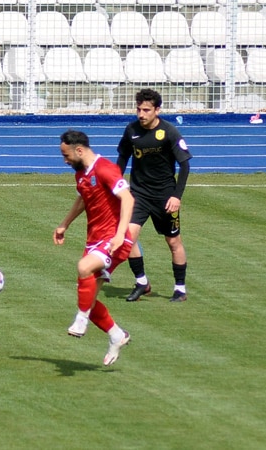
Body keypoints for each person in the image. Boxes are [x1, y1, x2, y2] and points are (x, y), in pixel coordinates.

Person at [54, 130, 133, 366]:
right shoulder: (81, 174)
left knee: (83, 267)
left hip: (114, 241)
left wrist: (120, 234)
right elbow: (83, 199)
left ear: (79, 150)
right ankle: (117, 335)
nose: (64, 160)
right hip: (94, 241)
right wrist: (64, 225)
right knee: (89, 299)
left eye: (66, 155)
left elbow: (128, 199)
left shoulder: (105, 169)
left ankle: (81, 320)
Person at [116, 89, 192, 302]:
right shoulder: (131, 130)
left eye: (146, 110)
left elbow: (185, 165)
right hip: (138, 194)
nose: (141, 114)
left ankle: (180, 288)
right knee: (127, 238)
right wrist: (118, 185)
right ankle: (142, 283)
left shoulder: (169, 132)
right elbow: (122, 158)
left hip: (165, 197)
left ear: (157, 110)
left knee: (173, 241)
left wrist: (177, 197)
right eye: (139, 109)